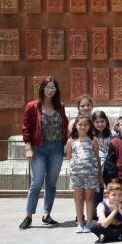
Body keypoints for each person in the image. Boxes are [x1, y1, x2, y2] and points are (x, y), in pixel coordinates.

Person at [20, 77, 70, 229]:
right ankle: (29, 215)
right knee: (37, 182)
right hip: (38, 148)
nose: (50, 90)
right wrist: (28, 148)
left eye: (53, 88)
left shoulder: (60, 106)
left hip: (56, 147)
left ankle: (47, 214)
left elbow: (65, 126)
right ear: (42, 89)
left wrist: (68, 147)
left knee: (51, 183)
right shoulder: (32, 106)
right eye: (47, 87)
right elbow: (26, 128)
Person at [65, 114, 102, 233]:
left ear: (89, 126)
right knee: (79, 198)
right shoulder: (71, 140)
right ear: (75, 126)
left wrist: (99, 175)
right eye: (80, 124)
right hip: (77, 174)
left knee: (90, 198)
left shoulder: (93, 140)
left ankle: (89, 222)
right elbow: (69, 156)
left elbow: (97, 157)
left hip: (91, 173)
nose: (83, 127)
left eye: (85, 124)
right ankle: (80, 223)